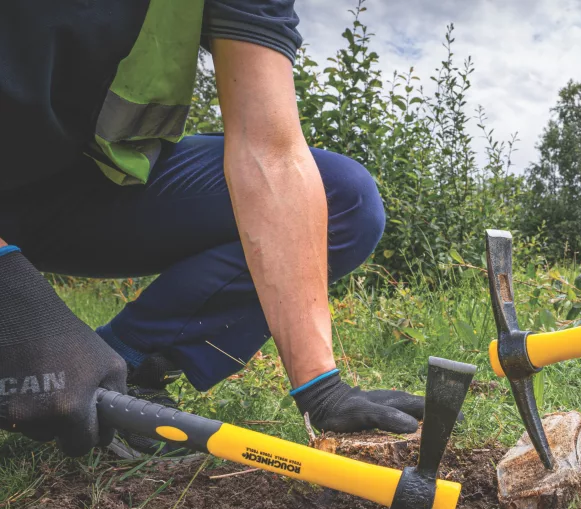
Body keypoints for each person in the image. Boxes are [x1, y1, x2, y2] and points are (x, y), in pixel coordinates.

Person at [0, 0, 427, 458]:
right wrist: (13, 301)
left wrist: (320, 388)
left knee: (341, 199)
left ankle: (131, 363)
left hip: (88, 190)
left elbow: (271, 154)